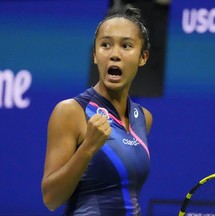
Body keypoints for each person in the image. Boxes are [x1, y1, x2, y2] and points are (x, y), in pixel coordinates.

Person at [41, 7, 152, 215]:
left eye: (126, 46)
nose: (114, 55)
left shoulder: (143, 118)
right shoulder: (71, 112)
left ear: (143, 57)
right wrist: (88, 148)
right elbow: (51, 199)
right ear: (94, 55)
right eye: (105, 45)